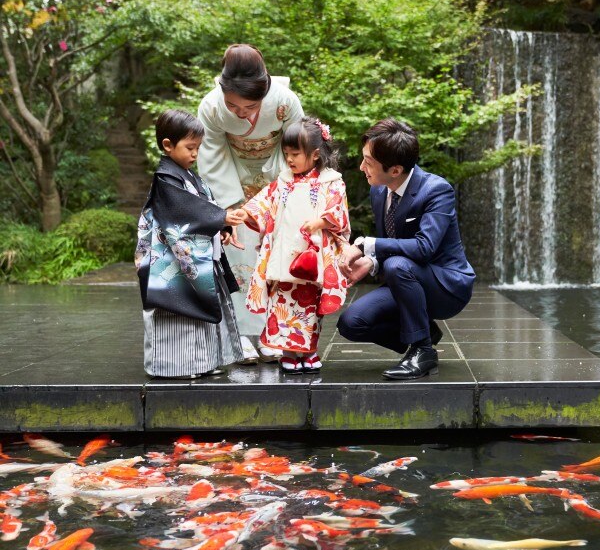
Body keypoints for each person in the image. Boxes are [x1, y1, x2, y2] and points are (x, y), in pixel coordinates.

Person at [337, 118, 476, 380]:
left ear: (395, 170)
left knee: (396, 266)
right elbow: (394, 241)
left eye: (368, 162)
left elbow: (424, 248)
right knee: (351, 324)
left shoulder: (436, 190)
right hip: (404, 276)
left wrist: (366, 245)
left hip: (446, 287)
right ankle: (424, 334)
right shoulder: (379, 191)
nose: (361, 167)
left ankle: (422, 352)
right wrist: (373, 263)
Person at [197, 44, 305, 364]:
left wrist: (275, 194)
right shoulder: (212, 108)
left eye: (249, 107)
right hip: (232, 179)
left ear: (265, 90)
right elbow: (212, 157)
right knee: (238, 254)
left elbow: (297, 149)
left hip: (277, 177)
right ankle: (241, 337)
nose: (240, 113)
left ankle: (273, 333)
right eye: (233, 106)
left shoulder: (286, 102)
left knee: (277, 256)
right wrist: (233, 204)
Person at [136, 109, 247, 379]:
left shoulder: (187, 176)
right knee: (178, 313)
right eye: (190, 147)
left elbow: (200, 210)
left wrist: (222, 227)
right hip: (171, 265)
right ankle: (175, 367)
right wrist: (220, 217)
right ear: (167, 145)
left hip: (191, 259)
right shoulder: (166, 179)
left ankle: (203, 363)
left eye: (198, 147)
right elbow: (184, 212)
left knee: (200, 310)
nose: (195, 153)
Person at [235, 118, 351, 373]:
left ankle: (308, 351)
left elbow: (338, 212)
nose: (289, 159)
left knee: (309, 306)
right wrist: (245, 213)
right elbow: (264, 202)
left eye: (295, 154)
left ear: (315, 154)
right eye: (286, 154)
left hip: (312, 255)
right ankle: (288, 351)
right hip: (284, 256)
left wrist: (320, 221)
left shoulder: (331, 182)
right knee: (283, 303)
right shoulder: (284, 181)